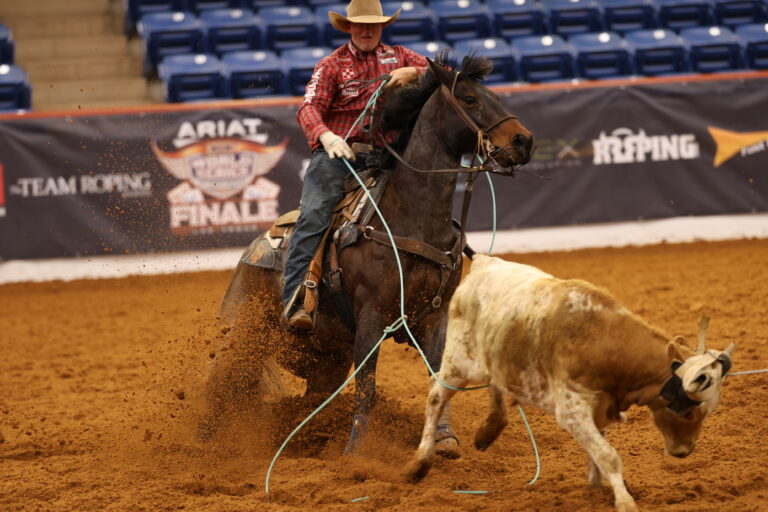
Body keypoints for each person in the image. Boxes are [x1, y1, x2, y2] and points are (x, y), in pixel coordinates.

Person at [282, 0, 428, 330]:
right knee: (315, 215)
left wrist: (415, 72)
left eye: (372, 25)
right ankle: (295, 301)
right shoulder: (332, 65)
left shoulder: (401, 57)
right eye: (360, 25)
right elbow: (308, 109)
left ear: (382, 27)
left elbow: (448, 73)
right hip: (338, 158)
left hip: (388, 156)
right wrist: (327, 137)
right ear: (348, 27)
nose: (366, 31)